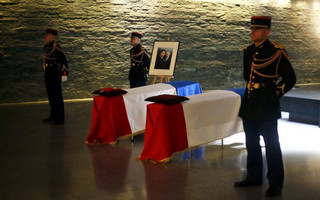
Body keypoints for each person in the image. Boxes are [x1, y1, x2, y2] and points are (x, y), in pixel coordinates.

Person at [235, 16, 296, 197]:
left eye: (257, 29)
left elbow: (290, 78)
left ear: (266, 32)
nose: (252, 31)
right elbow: (248, 76)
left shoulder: (276, 51)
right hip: (250, 103)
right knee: (251, 142)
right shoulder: (248, 51)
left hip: (267, 104)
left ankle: (275, 182)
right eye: (252, 28)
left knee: (271, 144)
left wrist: (275, 92)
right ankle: (254, 176)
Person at [43, 28, 69, 125]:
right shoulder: (46, 47)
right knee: (51, 95)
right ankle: (53, 115)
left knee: (57, 96)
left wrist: (64, 74)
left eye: (47, 35)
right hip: (48, 72)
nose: (45, 37)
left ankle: (60, 118)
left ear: (52, 37)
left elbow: (64, 61)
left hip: (55, 72)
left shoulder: (56, 47)